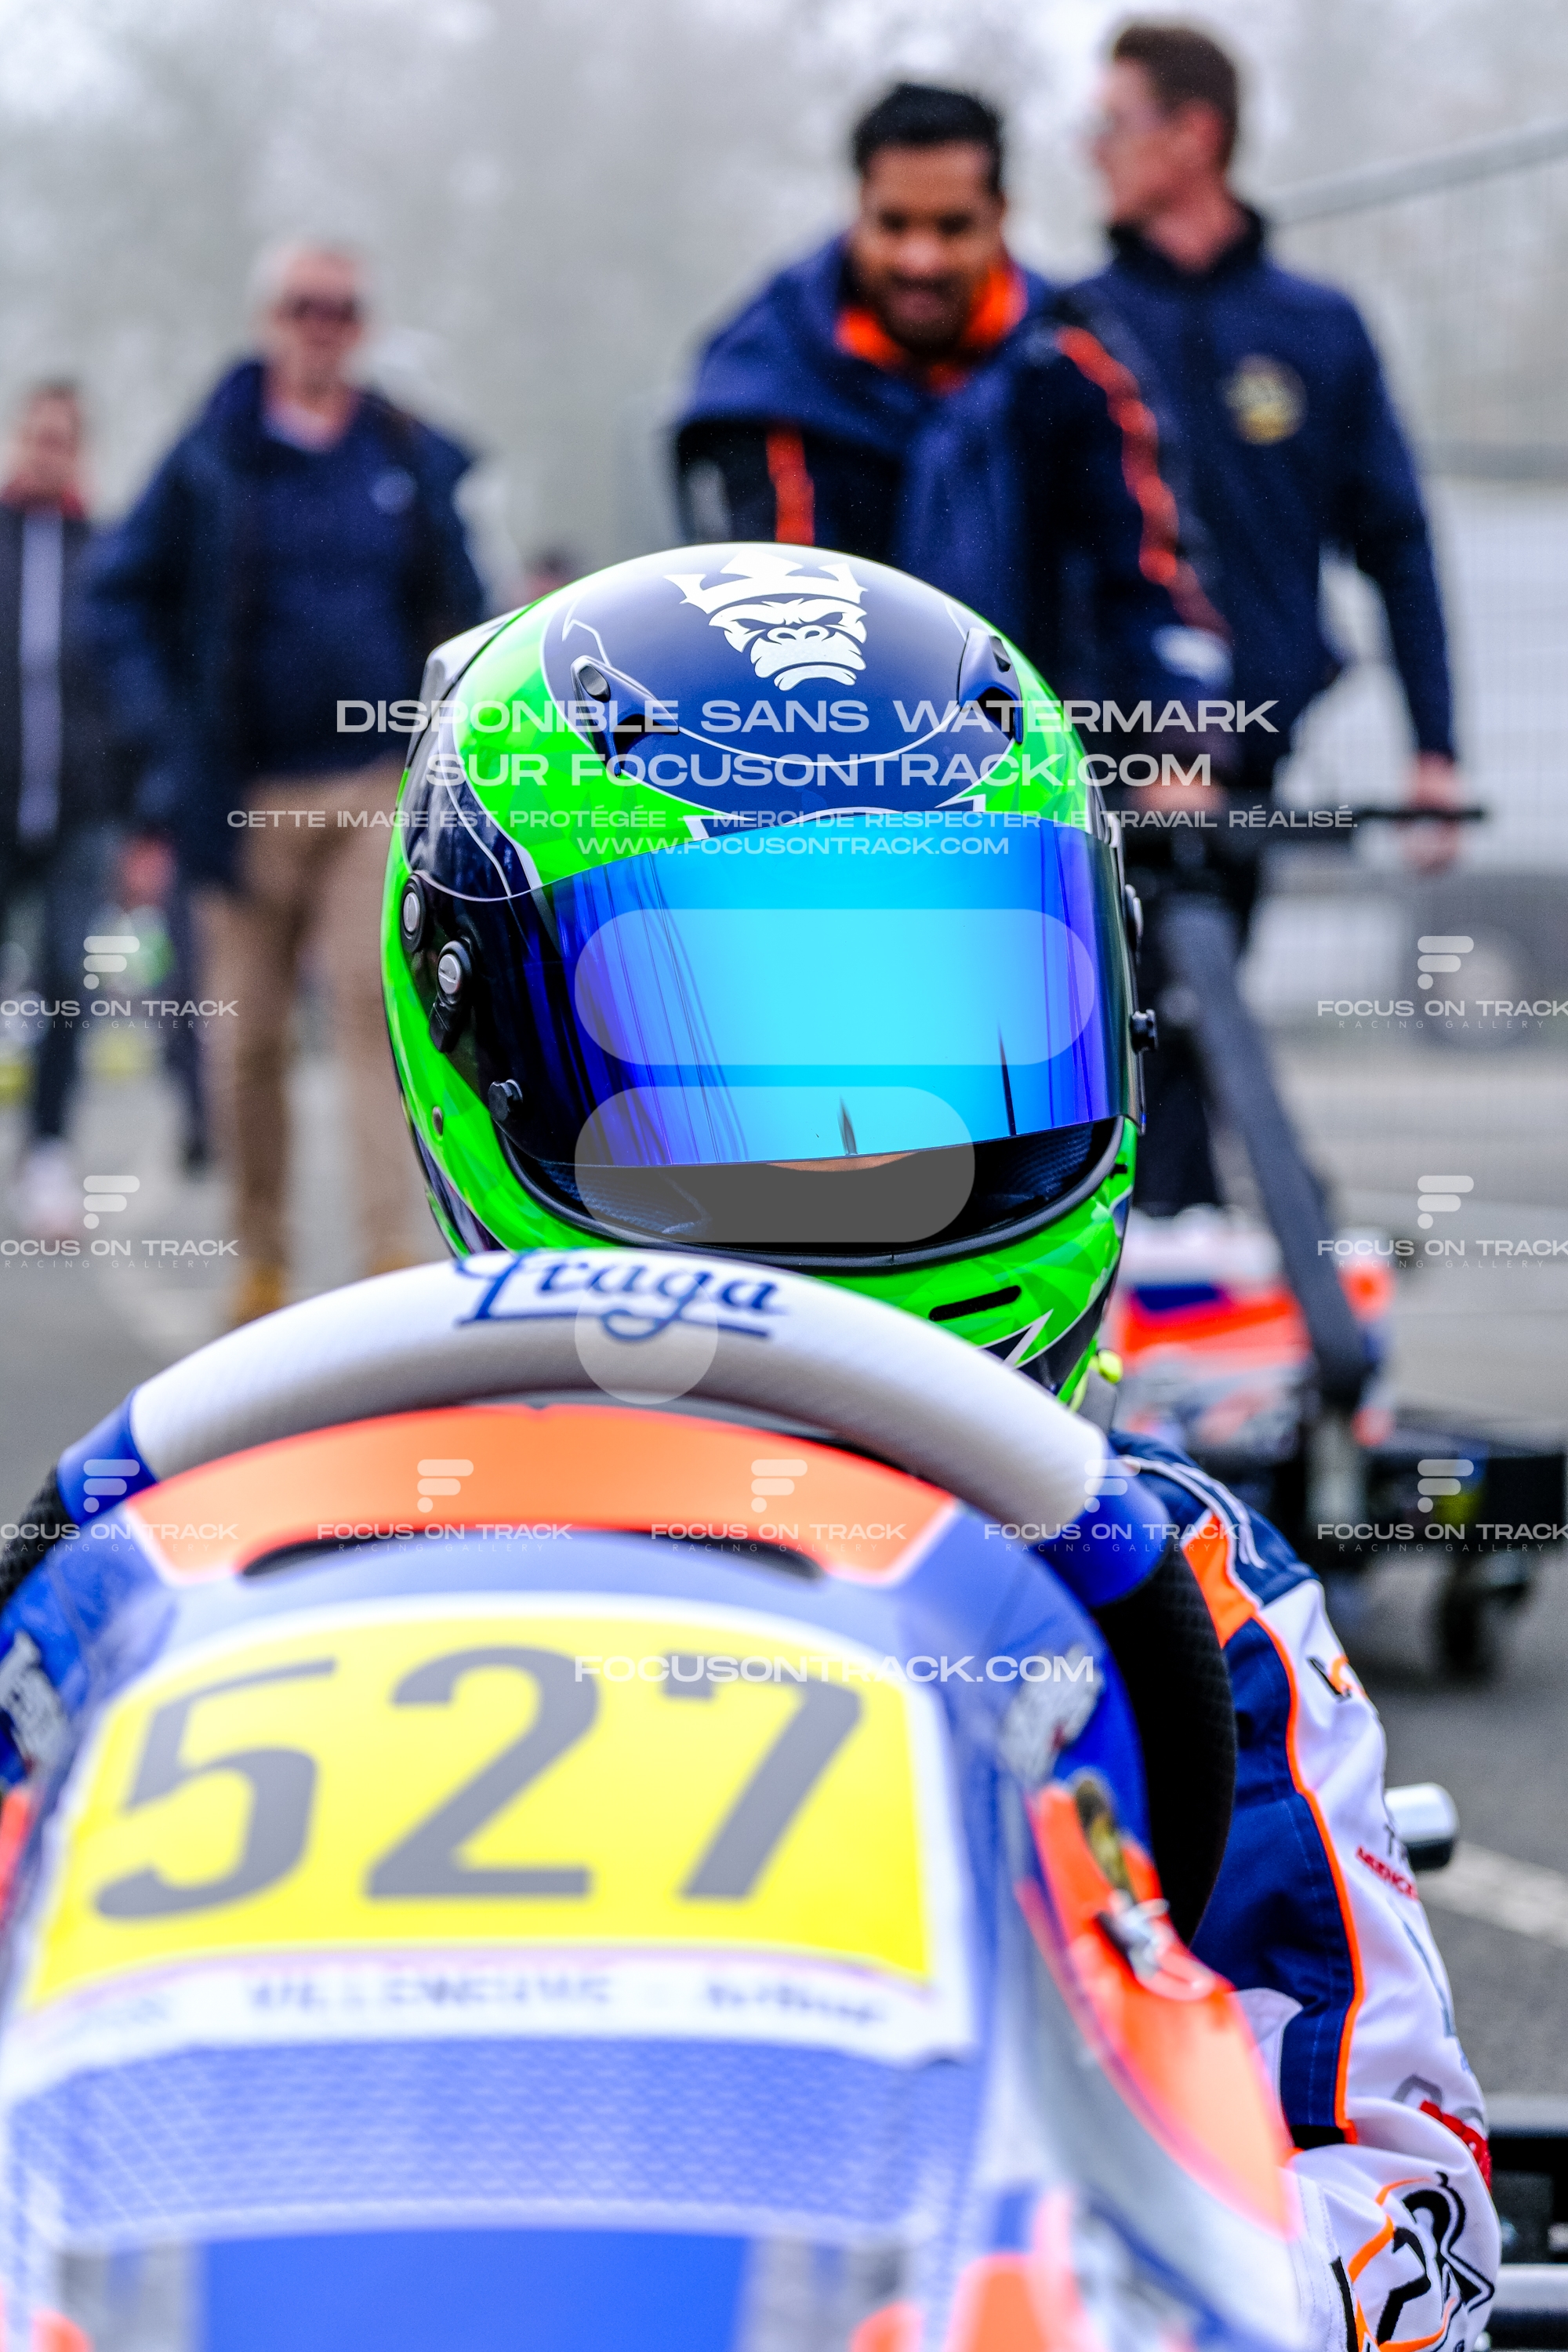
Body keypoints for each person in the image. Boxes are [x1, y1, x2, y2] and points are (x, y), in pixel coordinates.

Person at [367, 552, 1496, 2343]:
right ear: (480, 1038)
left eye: (935, 1035)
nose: (846, 1152)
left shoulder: (1177, 1601)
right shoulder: (302, 1568)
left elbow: (1397, 2207)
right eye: (718, 1042)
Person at [1074, 20, 1462, 1214]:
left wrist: (1436, 750)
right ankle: (1174, 1235)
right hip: (1095, 746)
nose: (1093, 149)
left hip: (1250, 751)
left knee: (1196, 1006)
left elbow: (1394, 540)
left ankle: (1192, 1242)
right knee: (1112, 1019)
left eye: (1116, 123)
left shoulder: (1315, 329)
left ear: (1194, 135)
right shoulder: (1077, 326)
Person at [87, 241, 485, 1323]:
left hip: (373, 788)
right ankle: (260, 1263)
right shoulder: (212, 455)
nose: (322, 325)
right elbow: (117, 595)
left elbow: (463, 604)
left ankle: (391, 1264)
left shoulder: (401, 453)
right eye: (305, 306)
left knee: (378, 1012)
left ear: (361, 326)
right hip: (244, 796)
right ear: (271, 318)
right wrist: (163, 740)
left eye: (342, 309)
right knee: (249, 1039)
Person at [674, 82, 1228, 721]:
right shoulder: (770, 374)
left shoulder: (1075, 360)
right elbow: (780, 594)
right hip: (849, 739)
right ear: (857, 207)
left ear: (1002, 214)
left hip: (1054, 745)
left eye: (953, 227)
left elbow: (1153, 578)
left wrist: (1184, 737)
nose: (921, 259)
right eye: (894, 224)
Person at [0, 384, 127, 1240]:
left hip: (83, 809)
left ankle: (47, 1149)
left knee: (64, 983)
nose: (48, 452)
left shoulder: (106, 555)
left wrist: (142, 811)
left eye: (63, 439)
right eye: (36, 436)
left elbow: (131, 682)